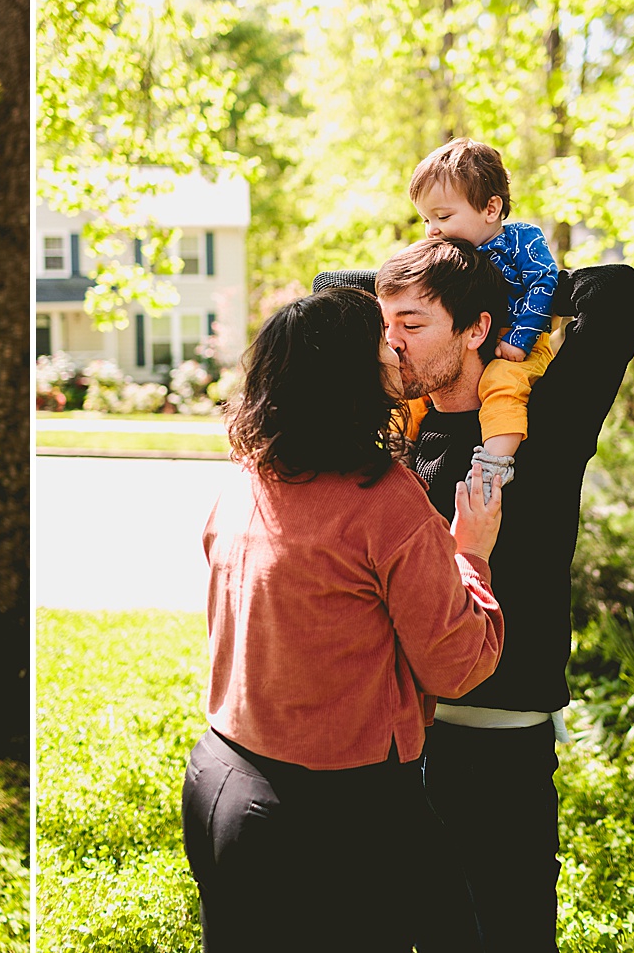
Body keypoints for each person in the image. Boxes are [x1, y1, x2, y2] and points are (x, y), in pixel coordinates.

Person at [318, 239, 634, 950]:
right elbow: (325, 288)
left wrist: (507, 285)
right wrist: (439, 264)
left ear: (476, 328)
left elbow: (619, 293)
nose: (392, 344)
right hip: (399, 741)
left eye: (413, 324)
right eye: (385, 325)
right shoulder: (396, 431)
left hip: (501, 746)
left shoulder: (545, 423)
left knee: (508, 934)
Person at [180, 285, 506, 952]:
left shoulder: (241, 482)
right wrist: (471, 553)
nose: (395, 345)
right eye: (380, 338)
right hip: (341, 812)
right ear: (350, 375)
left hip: (220, 782)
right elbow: (458, 662)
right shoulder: (384, 501)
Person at [404, 137, 560, 500]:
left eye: (443, 216)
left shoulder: (521, 240)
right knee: (412, 388)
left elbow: (544, 283)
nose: (432, 229)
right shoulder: (450, 255)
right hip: (477, 344)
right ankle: (396, 446)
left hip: (517, 342)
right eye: (426, 219)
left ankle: (494, 465)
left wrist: (518, 339)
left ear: (491, 208)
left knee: (501, 383)